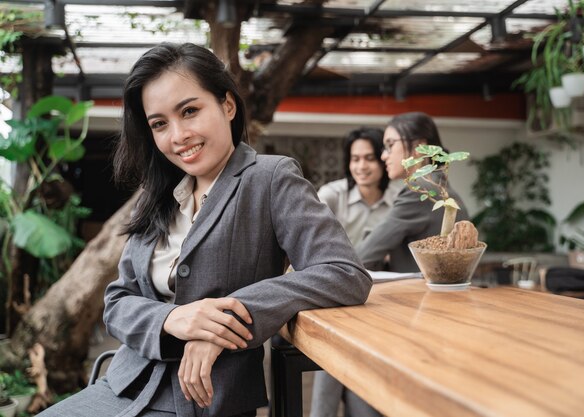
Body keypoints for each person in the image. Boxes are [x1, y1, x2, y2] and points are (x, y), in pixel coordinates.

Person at [38, 43, 372, 417]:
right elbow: (117, 302)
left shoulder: (270, 179)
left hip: (205, 397)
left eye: (190, 111)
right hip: (123, 387)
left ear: (227, 105)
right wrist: (171, 319)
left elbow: (344, 274)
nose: (178, 135)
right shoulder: (155, 195)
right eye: (159, 124)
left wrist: (224, 321)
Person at [310, 128, 401, 417]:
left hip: (384, 299)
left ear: (383, 161)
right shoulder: (332, 195)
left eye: (370, 158)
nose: (361, 166)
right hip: (336, 296)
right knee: (337, 351)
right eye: (355, 159)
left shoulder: (400, 198)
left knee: (365, 361)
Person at [356, 111, 469, 272]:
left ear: (420, 147)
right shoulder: (441, 188)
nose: (383, 156)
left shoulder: (419, 191)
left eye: (390, 145)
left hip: (418, 295)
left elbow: (361, 257)